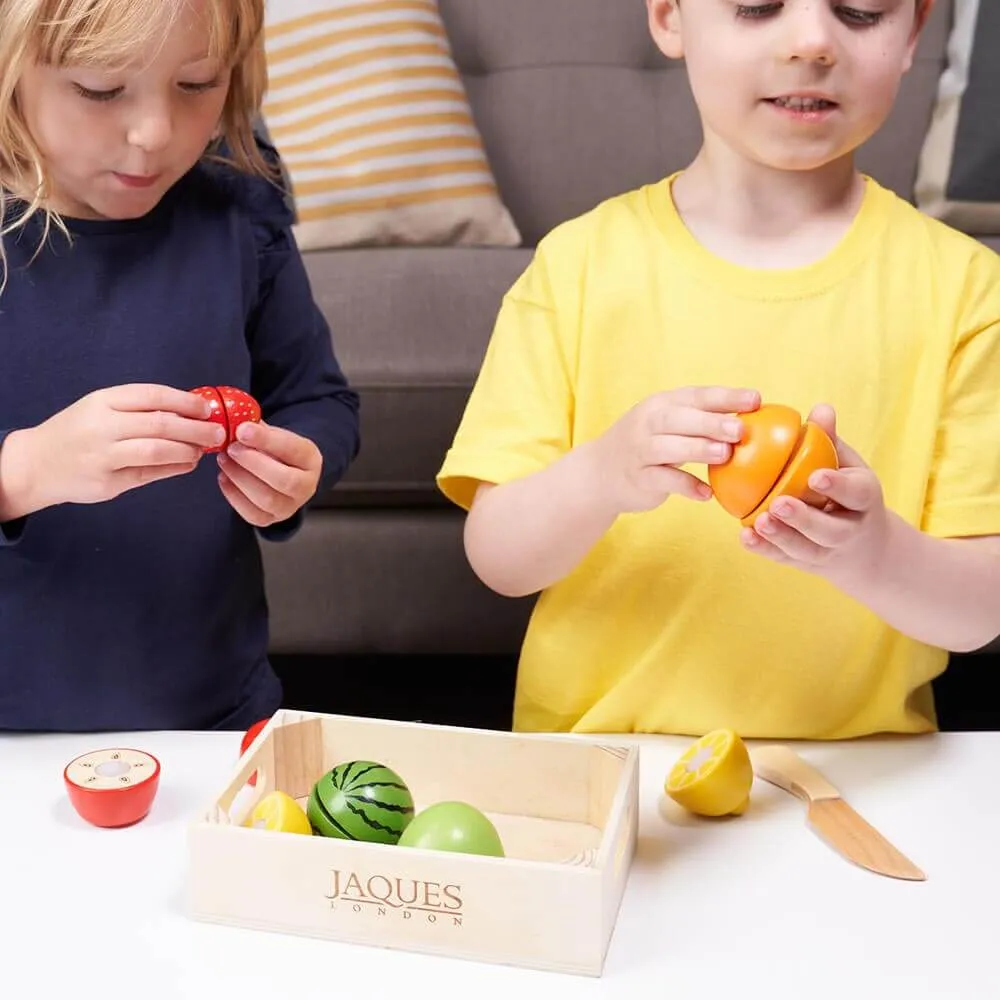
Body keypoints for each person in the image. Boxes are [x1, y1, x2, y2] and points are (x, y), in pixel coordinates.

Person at [436, 0, 1000, 740]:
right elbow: (500, 559)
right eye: (758, 6)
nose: (811, 42)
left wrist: (873, 553)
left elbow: (979, 614)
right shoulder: (578, 268)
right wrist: (602, 474)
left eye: (860, 12)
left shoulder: (965, 290)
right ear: (670, 16)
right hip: (607, 765)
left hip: (857, 770)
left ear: (914, 34)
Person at [0, 0, 360, 732]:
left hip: (212, 714)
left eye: (198, 84)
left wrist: (302, 463)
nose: (155, 134)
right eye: (101, 90)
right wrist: (25, 472)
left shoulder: (237, 208)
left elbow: (318, 399)